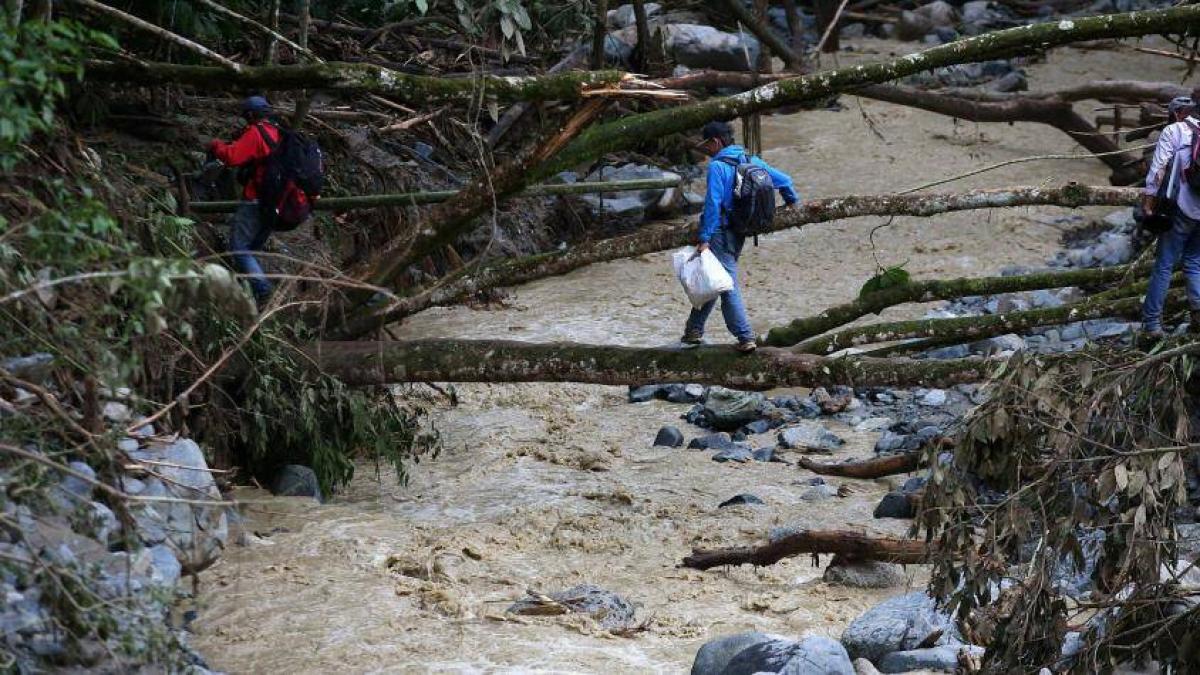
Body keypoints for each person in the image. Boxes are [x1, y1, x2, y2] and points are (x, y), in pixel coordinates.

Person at [682, 120, 799, 353]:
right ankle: (693, 330)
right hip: (741, 231)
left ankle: (745, 336)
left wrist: (705, 238)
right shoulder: (751, 160)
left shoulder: (717, 167)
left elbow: (713, 203)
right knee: (716, 277)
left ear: (715, 142)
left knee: (726, 285)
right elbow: (785, 181)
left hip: (720, 232)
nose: (706, 150)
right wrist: (792, 203)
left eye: (707, 145)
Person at [207, 95, 280, 305]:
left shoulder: (257, 133)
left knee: (239, 249)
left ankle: (263, 291)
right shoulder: (279, 133)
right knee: (251, 248)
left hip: (256, 199)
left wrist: (216, 145)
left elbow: (233, 157)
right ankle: (249, 293)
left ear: (250, 115)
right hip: (276, 202)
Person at [1142, 95, 1200, 339]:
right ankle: (1198, 317)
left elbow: (1158, 170)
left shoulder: (1175, 130)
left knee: (1164, 265)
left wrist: (1148, 202)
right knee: (1195, 262)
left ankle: (1152, 324)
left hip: (1180, 209)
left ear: (1180, 113)